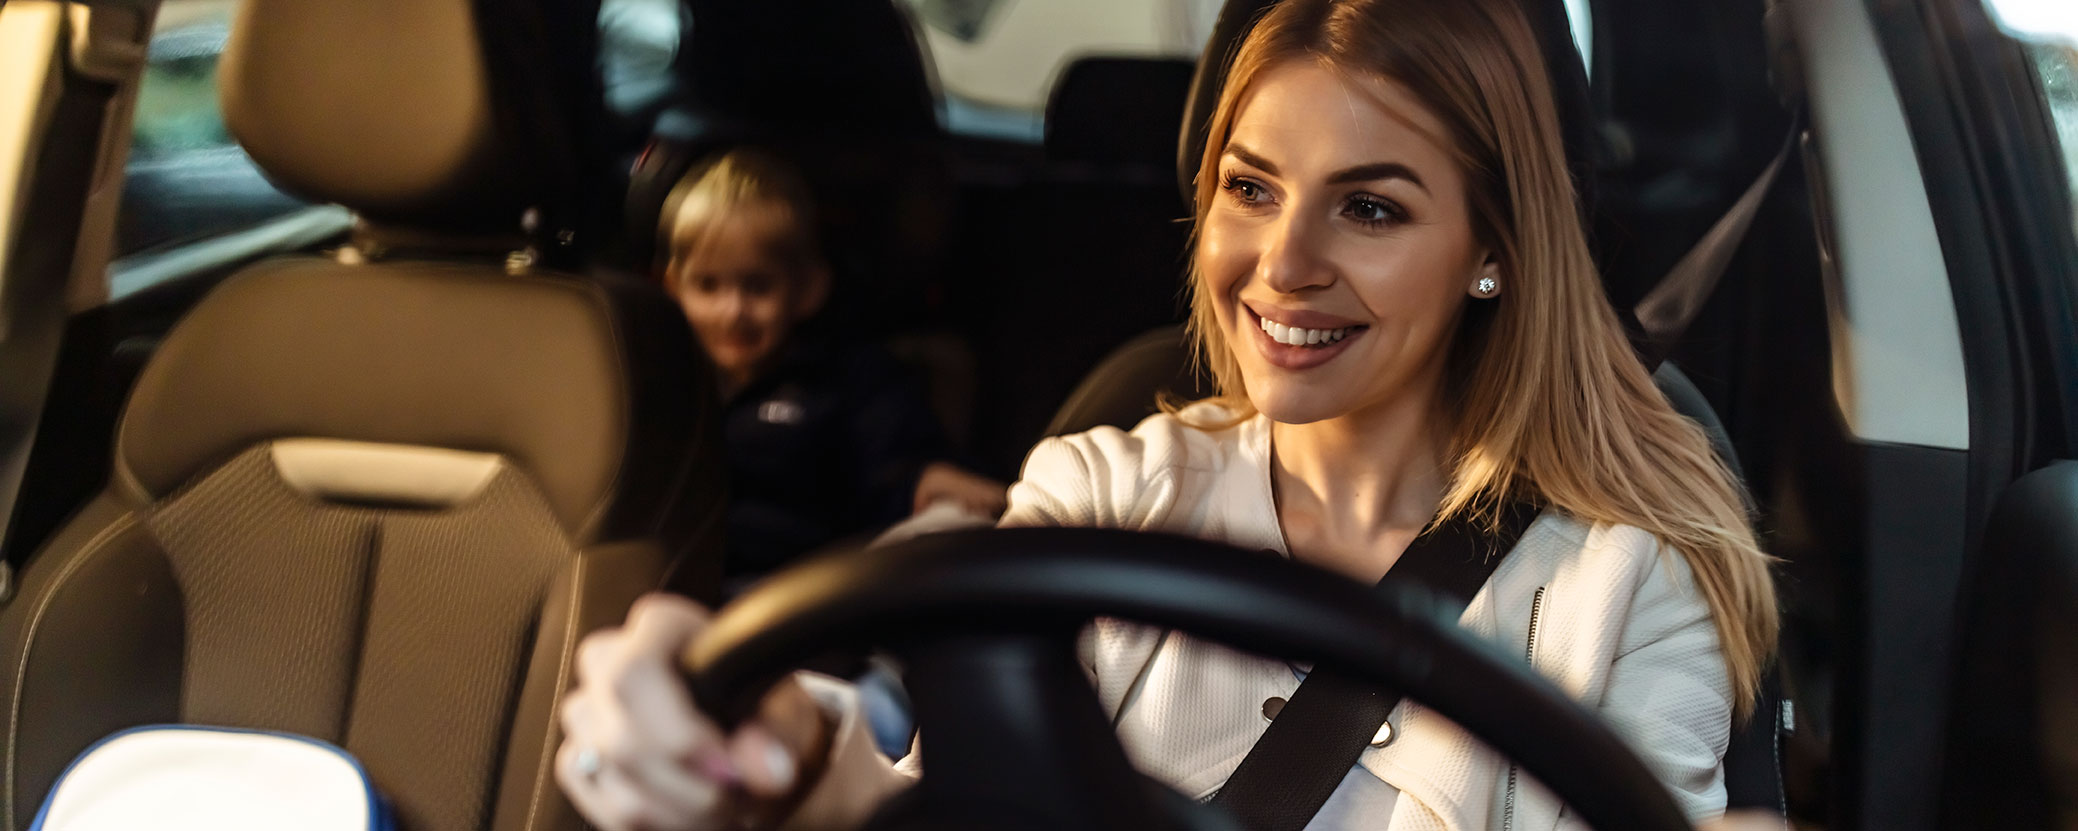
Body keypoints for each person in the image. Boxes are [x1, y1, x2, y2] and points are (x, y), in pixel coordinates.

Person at [556, 0, 1783, 828]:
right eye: (1249, 189)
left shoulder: (1629, 579)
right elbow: (907, 768)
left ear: (1490, 252)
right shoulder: (1104, 492)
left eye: (1370, 209)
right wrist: (767, 754)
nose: (1280, 263)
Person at [656, 148, 1008, 594]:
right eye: (708, 285)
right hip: (690, 585)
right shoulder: (665, 381)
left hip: (806, 595)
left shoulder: (844, 381)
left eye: (757, 286)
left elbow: (892, 461)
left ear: (808, 289)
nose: (732, 312)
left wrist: (923, 479)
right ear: (673, 285)